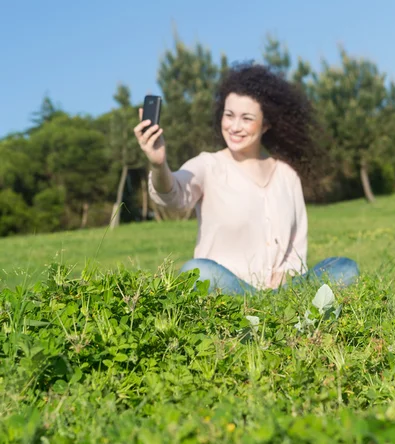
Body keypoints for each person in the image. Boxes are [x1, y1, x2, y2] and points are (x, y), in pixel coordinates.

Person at [134, 63, 359, 295]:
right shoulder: (209, 165)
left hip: (283, 292)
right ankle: (262, 311)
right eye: (229, 115)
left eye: (247, 118)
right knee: (196, 272)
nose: (235, 127)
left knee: (345, 267)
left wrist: (288, 272)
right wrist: (159, 164)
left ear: (266, 125)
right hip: (228, 291)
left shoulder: (287, 175)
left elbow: (296, 245)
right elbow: (173, 196)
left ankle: (275, 309)